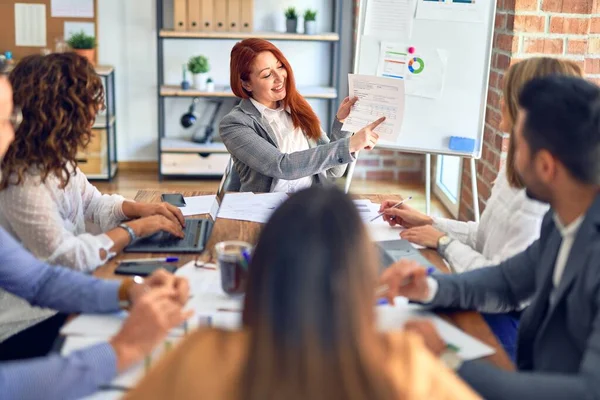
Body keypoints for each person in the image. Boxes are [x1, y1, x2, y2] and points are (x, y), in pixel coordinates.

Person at [124, 186, 479, 400]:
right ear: (363, 280)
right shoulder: (405, 363)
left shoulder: (201, 356)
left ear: (261, 269)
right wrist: (446, 359)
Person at [380, 75, 600, 399]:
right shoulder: (563, 220)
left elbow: (587, 391)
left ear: (546, 166)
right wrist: (429, 287)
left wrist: (444, 358)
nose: (510, 152)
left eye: (517, 142)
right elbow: (508, 282)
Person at [0, 72, 192, 400]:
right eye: (6, 118)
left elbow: (39, 281)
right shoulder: (21, 183)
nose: (13, 130)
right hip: (19, 331)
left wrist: (131, 291)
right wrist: (123, 349)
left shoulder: (54, 164)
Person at [219, 38, 385, 193]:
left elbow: (334, 170)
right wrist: (349, 145)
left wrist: (342, 122)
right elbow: (282, 166)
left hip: (307, 204)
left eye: (280, 67)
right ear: (247, 84)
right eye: (267, 74)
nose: (279, 78)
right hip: (263, 212)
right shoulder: (234, 124)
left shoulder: (297, 108)